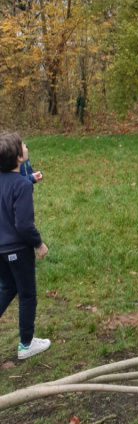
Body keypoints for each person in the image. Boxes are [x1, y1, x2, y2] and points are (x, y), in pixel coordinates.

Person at [0, 132, 50, 360]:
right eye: (23, 144)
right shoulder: (21, 185)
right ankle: (26, 344)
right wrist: (38, 243)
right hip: (18, 250)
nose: (26, 145)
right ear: (19, 157)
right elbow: (23, 224)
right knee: (27, 293)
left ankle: (26, 342)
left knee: (8, 288)